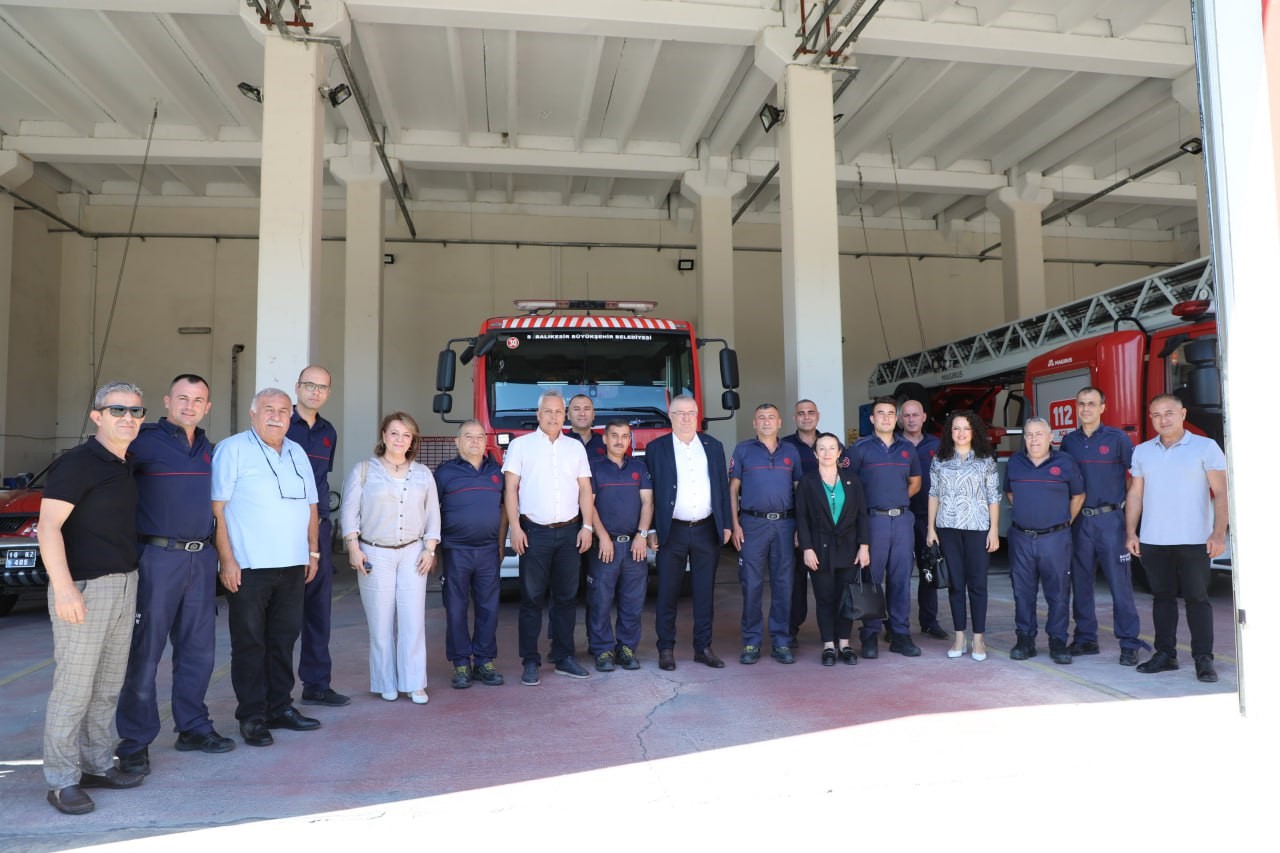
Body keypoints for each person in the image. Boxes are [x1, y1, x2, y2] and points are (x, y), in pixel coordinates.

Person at [115, 374, 233, 778]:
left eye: (198, 399)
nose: (189, 405)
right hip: (156, 557)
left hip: (201, 560)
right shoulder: (142, 443)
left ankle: (194, 727)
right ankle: (134, 742)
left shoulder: (211, 450)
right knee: (145, 651)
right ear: (167, 400)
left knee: (198, 650)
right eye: (182, 398)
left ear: (207, 406)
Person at [39, 382, 147, 814]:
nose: (128, 417)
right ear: (96, 415)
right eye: (117, 409)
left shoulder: (125, 464)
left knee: (106, 688)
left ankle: (97, 765)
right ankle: (61, 780)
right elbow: (48, 528)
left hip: (124, 584)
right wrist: (64, 588)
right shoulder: (77, 464)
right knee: (74, 690)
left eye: (136, 411)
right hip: (83, 588)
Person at [212, 388, 322, 747]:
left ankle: (280, 707)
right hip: (249, 566)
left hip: (292, 565)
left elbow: (311, 507)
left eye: (283, 410)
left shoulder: (297, 451)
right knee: (250, 642)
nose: (276, 416)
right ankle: (252, 717)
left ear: (291, 416)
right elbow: (218, 509)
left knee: (283, 640)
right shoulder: (233, 449)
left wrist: (314, 552)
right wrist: (226, 560)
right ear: (253, 413)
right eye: (268, 409)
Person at [1126, 393, 1228, 683]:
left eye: (1169, 413)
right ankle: (1165, 655)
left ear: (1183, 414)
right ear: (1150, 419)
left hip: (1195, 539)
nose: (1163, 420)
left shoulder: (1205, 447)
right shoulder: (1143, 451)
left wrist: (1218, 532)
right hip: (1154, 539)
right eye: (1156, 415)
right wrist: (1131, 532)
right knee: (1162, 599)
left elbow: (1221, 492)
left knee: (1197, 599)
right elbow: (1135, 494)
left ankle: (1203, 659)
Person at [340, 413, 440, 703]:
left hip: (412, 552)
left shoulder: (423, 474)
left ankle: (414, 682)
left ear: (412, 441)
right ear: (383, 436)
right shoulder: (364, 471)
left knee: (413, 621)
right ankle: (385, 681)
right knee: (380, 622)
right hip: (374, 553)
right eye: (394, 433)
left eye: (406, 435)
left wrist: (429, 549)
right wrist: (353, 547)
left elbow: (433, 514)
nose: (399, 440)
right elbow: (349, 512)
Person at [503, 390, 595, 685]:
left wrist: (588, 527)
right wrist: (515, 528)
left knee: (567, 598)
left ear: (564, 415)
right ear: (538, 415)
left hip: (570, 532)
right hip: (534, 533)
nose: (554, 416)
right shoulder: (520, 446)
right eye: (548, 411)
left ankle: (564, 657)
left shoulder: (575, 448)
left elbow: (584, 490)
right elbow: (510, 490)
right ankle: (530, 660)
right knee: (531, 599)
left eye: (559, 411)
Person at [1060, 386, 1146, 666]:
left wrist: (1124, 504)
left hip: (1110, 520)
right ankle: (1086, 639)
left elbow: (1136, 476)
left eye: (1091, 404)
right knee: (1081, 581)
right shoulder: (1069, 442)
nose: (1085, 408)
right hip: (1080, 521)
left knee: (1120, 583)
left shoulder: (1117, 438)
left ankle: (1129, 642)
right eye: (1081, 403)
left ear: (1102, 407)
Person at [645, 395, 732, 670]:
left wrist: (726, 523)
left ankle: (703, 648)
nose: (685, 417)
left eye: (690, 412)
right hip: (672, 531)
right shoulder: (656, 448)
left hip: (706, 529)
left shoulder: (713, 446)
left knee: (704, 592)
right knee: (668, 592)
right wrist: (650, 529)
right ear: (670, 416)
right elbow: (649, 494)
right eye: (679, 413)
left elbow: (721, 486)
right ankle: (666, 649)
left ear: (697, 415)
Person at [287, 365, 349, 708]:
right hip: (284, 527)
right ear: (298, 387)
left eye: (322, 388)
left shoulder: (329, 432)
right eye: (309, 385)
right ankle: (276, 691)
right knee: (283, 610)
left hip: (319, 528)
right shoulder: (282, 424)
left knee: (318, 609)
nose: (315, 392)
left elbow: (322, 477)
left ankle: (316, 683)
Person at [841, 396, 922, 658]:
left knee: (901, 580)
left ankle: (900, 634)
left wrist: (895, 502)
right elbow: (848, 486)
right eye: (880, 413)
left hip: (902, 521)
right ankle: (870, 635)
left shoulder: (907, 449)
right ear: (872, 419)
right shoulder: (860, 449)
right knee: (871, 580)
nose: (886, 417)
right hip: (873, 521)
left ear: (896, 418)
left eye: (890, 413)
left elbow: (916, 482)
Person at [1004, 417, 1084, 664]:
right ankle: (1025, 639)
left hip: (1055, 539)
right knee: (1022, 592)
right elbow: (1010, 493)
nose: (1033, 439)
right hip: (1022, 538)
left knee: (1058, 592)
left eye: (1039, 434)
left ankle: (1058, 641)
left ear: (1051, 437)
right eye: (1028, 434)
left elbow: (1079, 496)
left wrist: (1060, 522)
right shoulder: (1015, 463)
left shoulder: (1065, 462)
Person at [435, 420, 508, 689]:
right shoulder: (444, 473)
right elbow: (432, 511)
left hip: (488, 551)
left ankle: (484, 661)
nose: (475, 441)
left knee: (488, 608)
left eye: (479, 437)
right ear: (457, 442)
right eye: (469, 436)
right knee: (456, 609)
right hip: (456, 551)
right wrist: (433, 549)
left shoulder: (497, 472)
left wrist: (500, 544)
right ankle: (461, 664)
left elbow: (504, 511)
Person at [730, 403, 803, 664]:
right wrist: (735, 524)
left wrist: (800, 529)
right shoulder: (743, 450)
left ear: (780, 422)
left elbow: (799, 492)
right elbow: (732, 489)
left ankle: (781, 641)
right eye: (761, 417)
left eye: (771, 417)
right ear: (754, 423)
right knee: (751, 584)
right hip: (752, 524)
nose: (766, 422)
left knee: (784, 585)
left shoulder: (791, 452)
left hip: (785, 525)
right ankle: (751, 642)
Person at [925, 410, 1000, 662]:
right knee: (956, 584)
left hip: (978, 527)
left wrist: (994, 530)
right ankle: (960, 636)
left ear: (974, 431)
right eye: (956, 428)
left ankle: (978, 638)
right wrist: (931, 528)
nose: (961, 433)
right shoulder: (940, 459)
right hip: (948, 527)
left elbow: (994, 496)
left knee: (977, 584)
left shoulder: (985, 459)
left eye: (966, 428)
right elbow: (933, 493)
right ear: (949, 432)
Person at [795, 433, 870, 666]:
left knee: (846, 598)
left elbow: (862, 516)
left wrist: (864, 547)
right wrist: (806, 548)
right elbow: (802, 518)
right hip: (819, 548)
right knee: (825, 598)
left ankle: (845, 644)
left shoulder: (852, 480)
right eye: (822, 449)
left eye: (832, 448)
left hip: (848, 548)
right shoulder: (807, 482)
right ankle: (828, 645)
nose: (827, 453)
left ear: (839, 453)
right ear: (815, 453)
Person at [587, 420, 654, 671]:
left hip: (634, 546)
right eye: (614, 436)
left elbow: (648, 503)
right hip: (605, 547)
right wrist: (602, 536)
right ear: (604, 439)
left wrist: (642, 534)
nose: (619, 441)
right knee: (601, 600)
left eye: (624, 436)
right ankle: (603, 650)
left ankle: (626, 648)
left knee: (633, 600)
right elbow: (589, 505)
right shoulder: (594, 468)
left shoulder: (639, 467)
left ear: (630, 440)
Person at [899, 398, 947, 640]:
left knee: (929, 569)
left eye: (915, 415)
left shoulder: (937, 445)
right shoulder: (895, 445)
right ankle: (897, 625)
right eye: (906, 415)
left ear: (924, 417)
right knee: (900, 573)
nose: (911, 419)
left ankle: (929, 621)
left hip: (930, 519)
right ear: (900, 419)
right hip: (902, 518)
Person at [782, 399, 820, 642]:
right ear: (794, 418)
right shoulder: (785, 446)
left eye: (810, 412)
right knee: (794, 580)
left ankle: (833, 629)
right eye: (801, 413)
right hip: (795, 521)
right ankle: (791, 629)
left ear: (818, 416)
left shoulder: (832, 443)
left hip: (828, 523)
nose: (806, 417)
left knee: (827, 579)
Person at [566, 394, 607, 459]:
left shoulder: (606, 443)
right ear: (568, 415)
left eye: (587, 409)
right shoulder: (559, 443)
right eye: (576, 409)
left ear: (593, 415)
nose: (582, 413)